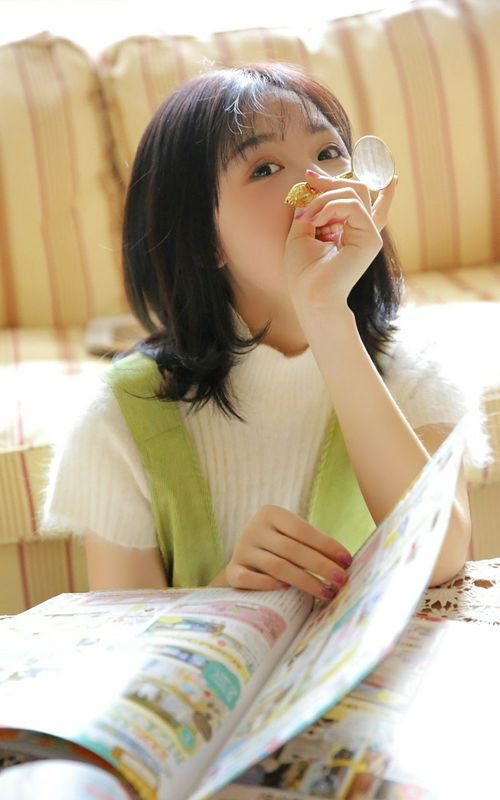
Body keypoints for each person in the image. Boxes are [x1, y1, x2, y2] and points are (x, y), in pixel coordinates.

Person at [43, 62, 473, 598]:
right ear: (203, 240)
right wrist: (227, 592)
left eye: (329, 152)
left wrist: (326, 315)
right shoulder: (120, 417)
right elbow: (125, 637)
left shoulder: (418, 369)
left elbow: (441, 557)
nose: (316, 185)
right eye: (266, 168)